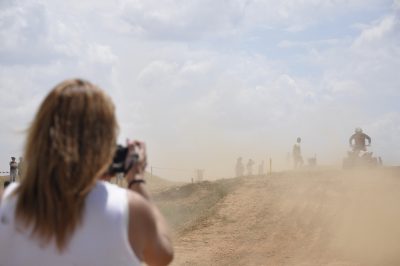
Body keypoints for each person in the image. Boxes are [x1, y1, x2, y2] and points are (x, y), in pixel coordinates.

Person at [0, 79, 173, 266]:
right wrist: (136, 179)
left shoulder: (6, 204)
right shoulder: (129, 209)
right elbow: (162, 256)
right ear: (105, 142)